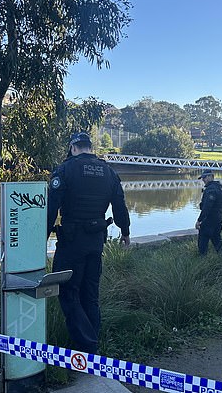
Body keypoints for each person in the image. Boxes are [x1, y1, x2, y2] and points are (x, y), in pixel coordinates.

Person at [47, 132, 131, 354]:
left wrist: (41, 240)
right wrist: (125, 231)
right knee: (90, 293)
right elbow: (119, 206)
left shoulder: (65, 170)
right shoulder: (109, 172)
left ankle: (86, 346)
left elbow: (51, 208)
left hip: (71, 242)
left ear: (73, 148)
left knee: (67, 292)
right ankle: (92, 344)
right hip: (96, 240)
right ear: (90, 147)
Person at [195, 169, 222, 255]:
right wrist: (220, 214)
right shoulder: (221, 188)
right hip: (219, 218)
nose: (203, 179)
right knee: (216, 238)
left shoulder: (210, 190)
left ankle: (202, 260)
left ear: (211, 176)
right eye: (202, 178)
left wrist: (199, 220)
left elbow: (207, 207)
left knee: (203, 240)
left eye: (204, 177)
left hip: (209, 219)